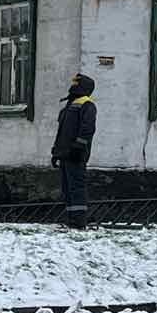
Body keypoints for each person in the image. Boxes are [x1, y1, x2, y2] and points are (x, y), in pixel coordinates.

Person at [51, 72, 96, 228]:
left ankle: (79, 222)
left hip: (76, 155)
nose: (73, 86)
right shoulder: (70, 105)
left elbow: (87, 129)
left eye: (77, 84)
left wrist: (79, 147)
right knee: (67, 189)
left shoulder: (87, 105)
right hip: (65, 154)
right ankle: (71, 219)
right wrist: (55, 152)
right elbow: (61, 132)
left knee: (76, 188)